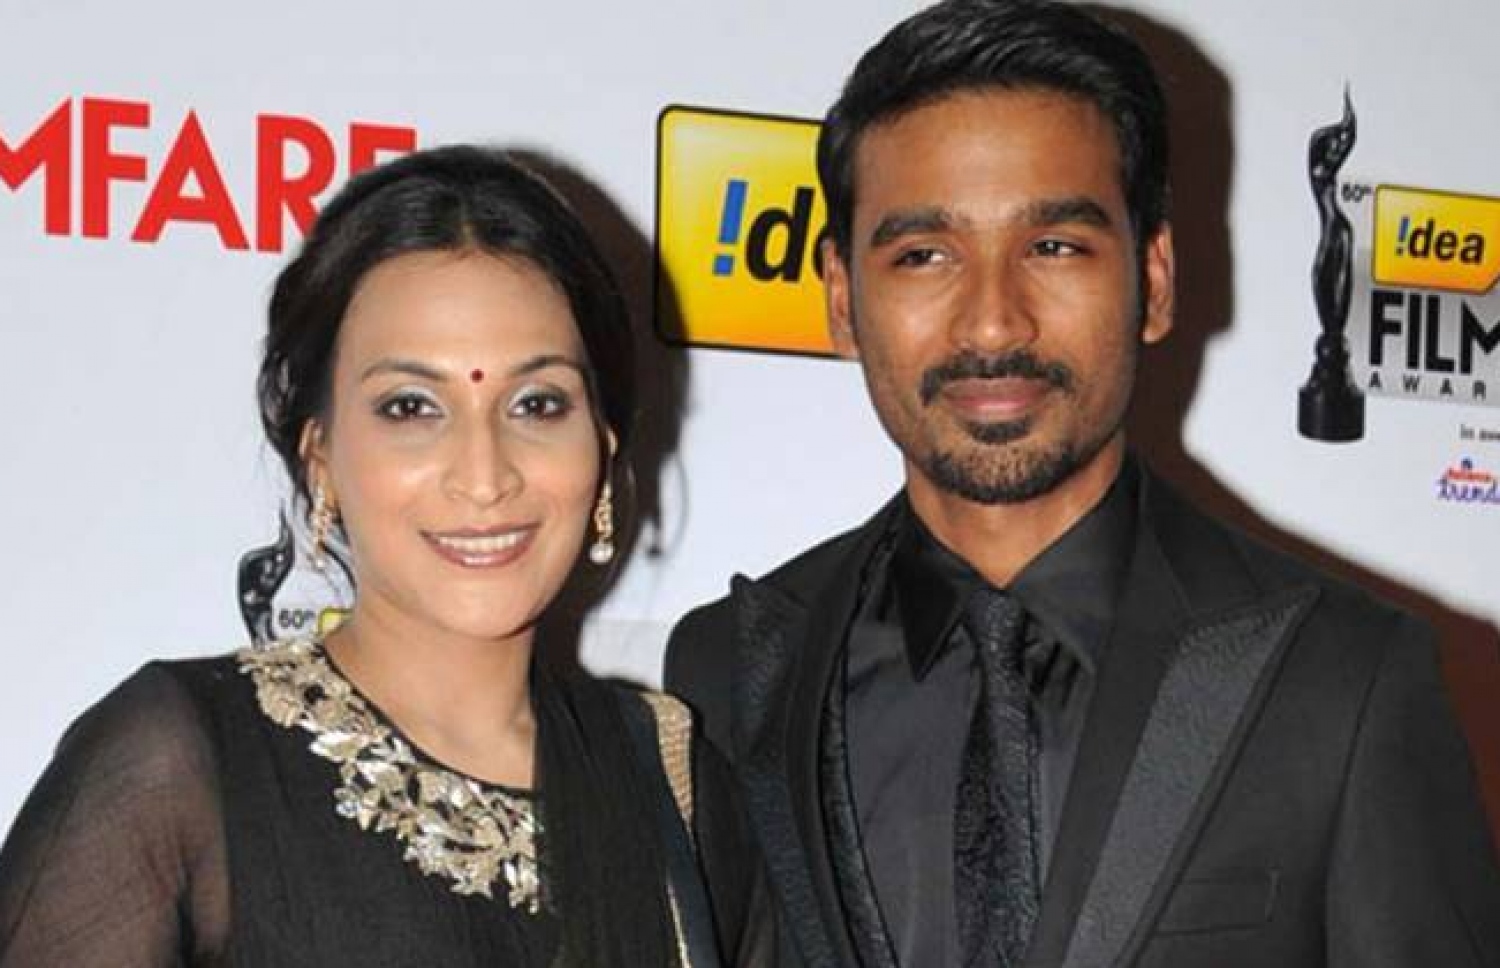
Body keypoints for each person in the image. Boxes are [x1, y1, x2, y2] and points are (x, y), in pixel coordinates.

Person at [665, 2, 1500, 967]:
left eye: (1055, 246)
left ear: (1155, 279)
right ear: (844, 299)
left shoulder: (1343, 679)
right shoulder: (727, 674)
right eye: (924, 255)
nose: (992, 322)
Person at [0, 145, 764, 968]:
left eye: (537, 403)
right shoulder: (183, 765)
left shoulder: (673, 786)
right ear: (320, 455)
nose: (484, 475)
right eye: (411, 407)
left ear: (603, 449)